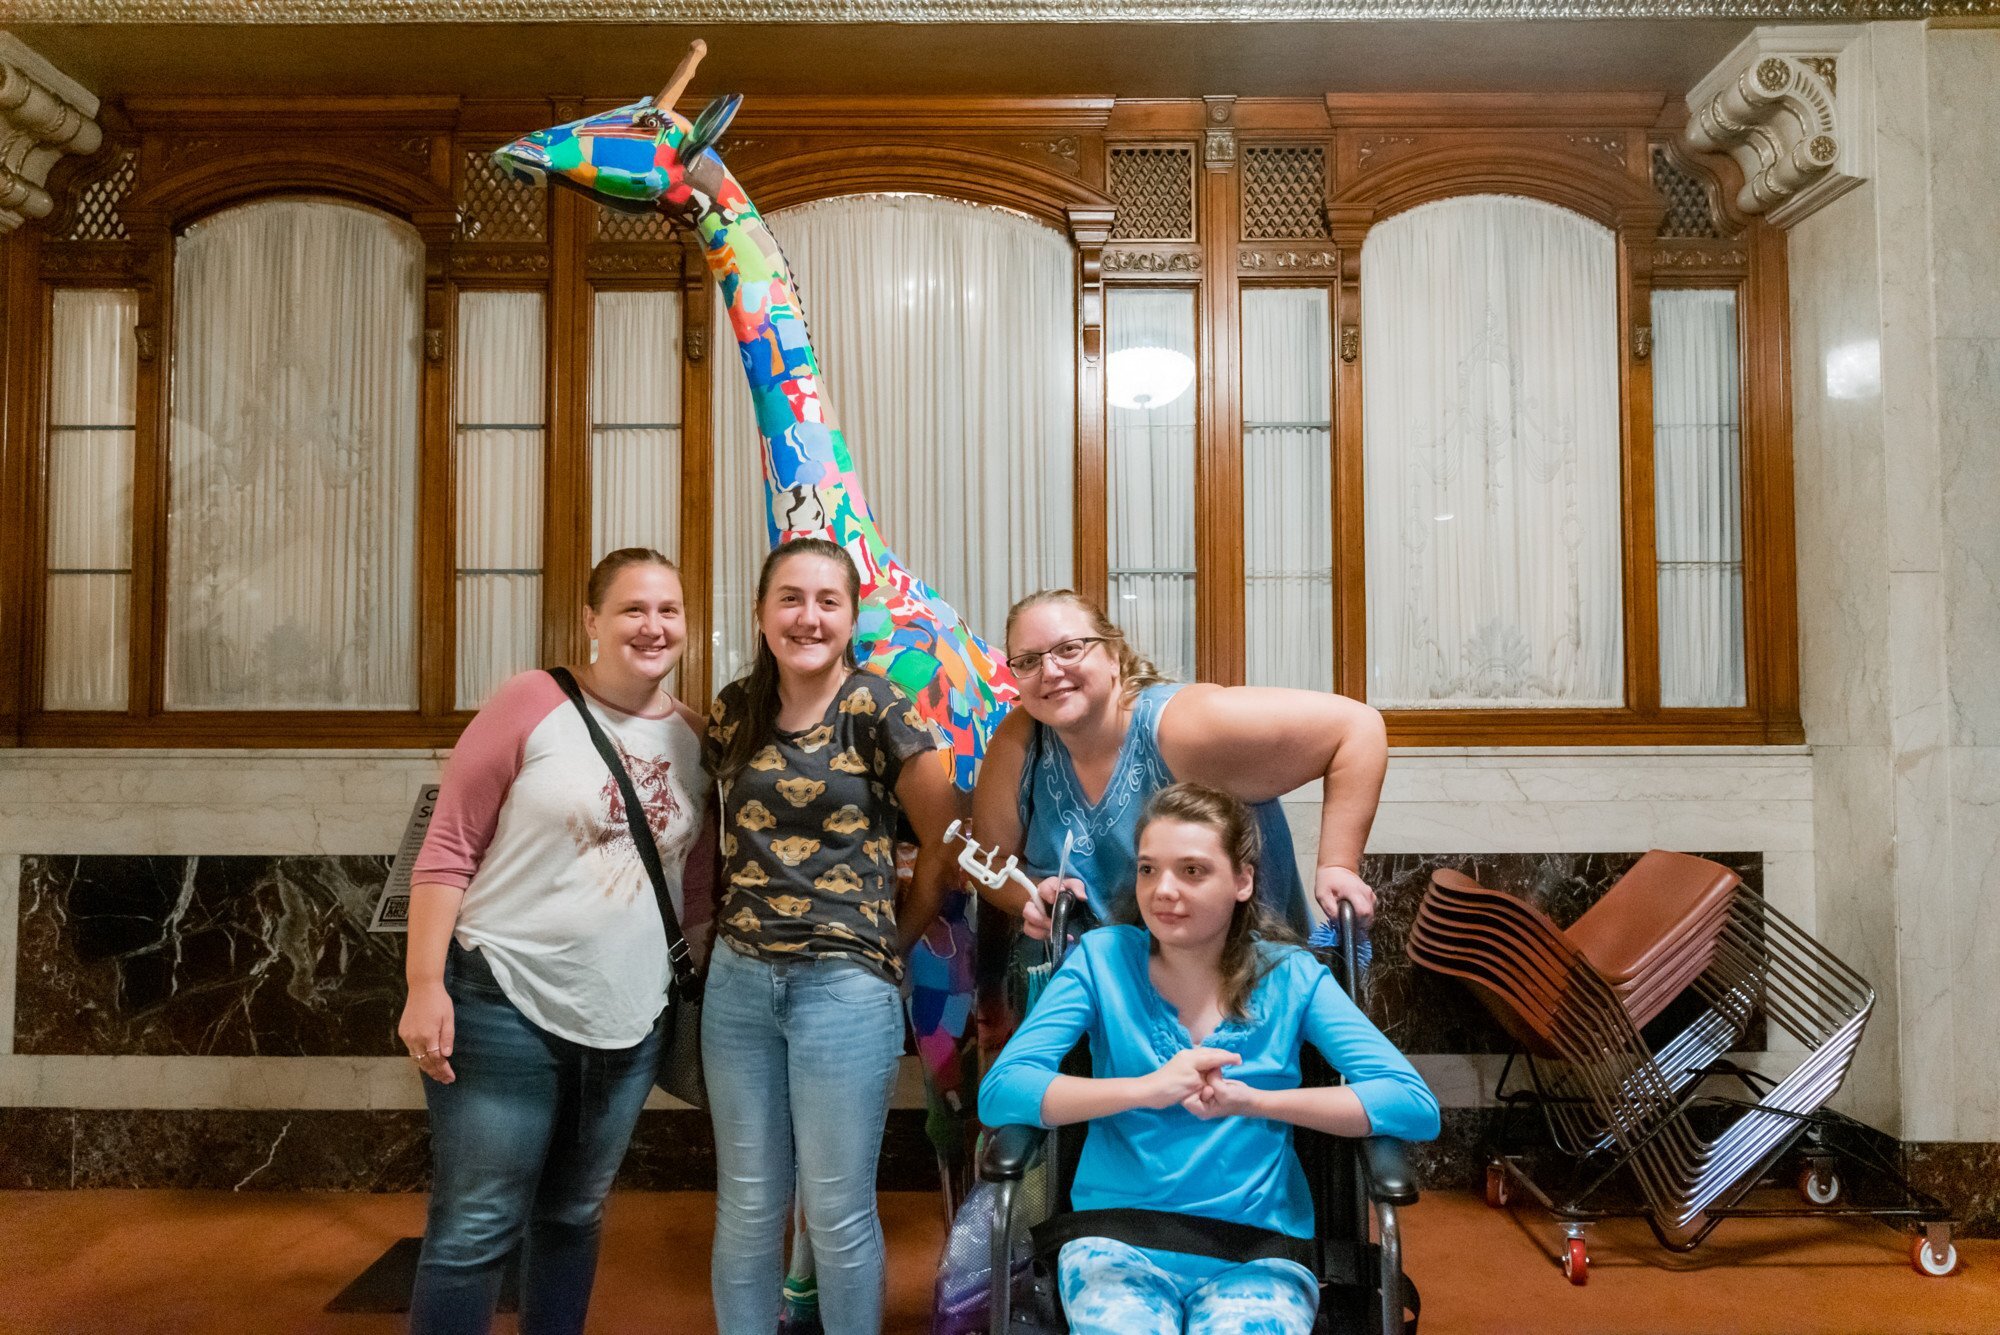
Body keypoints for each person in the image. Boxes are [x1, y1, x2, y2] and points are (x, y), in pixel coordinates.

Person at [979, 782, 1438, 1335]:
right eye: (1149, 870)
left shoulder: (1290, 977)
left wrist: (1256, 1101)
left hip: (1257, 1250)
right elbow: (1002, 1089)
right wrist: (1148, 1089)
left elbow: (1412, 1103)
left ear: (1242, 880)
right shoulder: (1102, 963)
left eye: (1192, 871)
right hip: (1116, 1242)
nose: (1163, 891)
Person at [398, 548, 711, 1335]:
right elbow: (448, 848)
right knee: (476, 1226)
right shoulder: (530, 701)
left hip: (629, 1018)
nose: (653, 625)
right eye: (633, 609)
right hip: (501, 999)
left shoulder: (696, 739)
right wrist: (424, 984)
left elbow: (698, 885)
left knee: (574, 1212)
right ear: (592, 621)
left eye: (668, 610)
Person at [701, 536, 959, 1335]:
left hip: (845, 987)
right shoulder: (735, 707)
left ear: (851, 618)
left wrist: (890, 943)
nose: (807, 616)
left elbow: (943, 843)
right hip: (739, 983)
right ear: (760, 611)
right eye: (789, 598)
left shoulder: (878, 707)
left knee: (839, 1211)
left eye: (827, 601)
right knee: (746, 1206)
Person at [970, 589, 1387, 942]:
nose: (1050, 671)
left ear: (1114, 657)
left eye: (1069, 649)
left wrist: (1338, 865)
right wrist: (1030, 896)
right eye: (1027, 661)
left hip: (1243, 988)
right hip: (1110, 1005)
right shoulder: (1021, 742)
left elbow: (1358, 727)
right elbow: (991, 866)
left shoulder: (1185, 727)